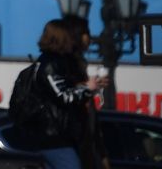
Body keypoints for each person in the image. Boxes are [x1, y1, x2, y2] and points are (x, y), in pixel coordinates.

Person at [14, 18, 108, 169]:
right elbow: (64, 96)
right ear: (61, 38)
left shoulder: (55, 62)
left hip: (57, 136)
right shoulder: (50, 64)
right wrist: (88, 88)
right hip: (53, 136)